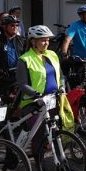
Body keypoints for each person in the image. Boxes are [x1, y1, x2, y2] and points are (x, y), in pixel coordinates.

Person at [17, 25, 64, 153]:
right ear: (33, 41)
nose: (46, 43)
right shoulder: (25, 59)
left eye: (48, 40)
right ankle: (40, 166)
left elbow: (60, 74)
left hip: (52, 100)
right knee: (39, 135)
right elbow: (22, 84)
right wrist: (36, 94)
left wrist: (62, 87)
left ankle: (61, 161)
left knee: (55, 132)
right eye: (43, 40)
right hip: (34, 102)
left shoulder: (52, 55)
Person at [0, 15, 27, 96]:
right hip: (3, 78)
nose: (15, 27)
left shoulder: (22, 41)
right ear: (5, 27)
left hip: (18, 77)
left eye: (17, 25)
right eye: (12, 25)